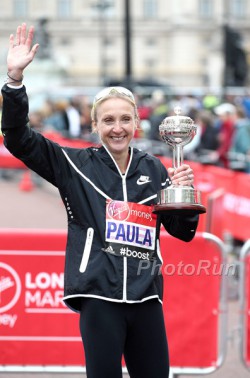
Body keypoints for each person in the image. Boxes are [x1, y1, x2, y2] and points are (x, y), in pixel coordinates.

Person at [1, 23, 199, 378]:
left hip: (146, 298)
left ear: (137, 122)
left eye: (125, 119)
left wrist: (183, 200)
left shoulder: (154, 168)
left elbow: (183, 232)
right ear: (95, 125)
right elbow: (18, 140)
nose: (117, 128)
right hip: (99, 299)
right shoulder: (74, 165)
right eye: (108, 120)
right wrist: (14, 82)